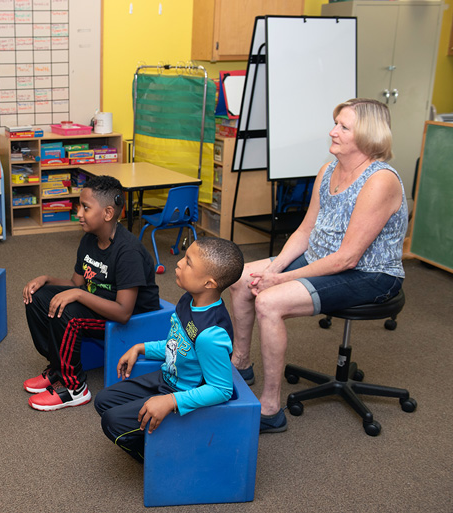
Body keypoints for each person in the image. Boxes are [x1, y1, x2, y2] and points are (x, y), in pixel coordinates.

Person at [228, 98, 408, 433]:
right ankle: (241, 363)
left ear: (367, 135)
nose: (332, 131)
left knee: (269, 301)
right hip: (323, 257)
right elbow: (306, 230)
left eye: (343, 127)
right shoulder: (328, 170)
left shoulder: (379, 180)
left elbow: (347, 258)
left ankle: (270, 408)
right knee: (241, 279)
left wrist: (280, 280)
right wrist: (273, 270)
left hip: (369, 273)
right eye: (335, 123)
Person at [94, 237, 244, 462]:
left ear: (209, 283)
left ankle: (164, 458)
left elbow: (221, 389)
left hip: (184, 395)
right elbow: (177, 346)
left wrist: (171, 401)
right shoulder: (188, 300)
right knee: (103, 401)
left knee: (112, 422)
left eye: (189, 262)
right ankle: (160, 438)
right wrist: (141, 348)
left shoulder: (210, 335)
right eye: (184, 256)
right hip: (168, 378)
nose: (179, 263)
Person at [22, 175, 160, 411]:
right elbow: (75, 283)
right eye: (79, 206)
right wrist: (46, 280)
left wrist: (79, 295)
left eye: (85, 207)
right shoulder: (89, 239)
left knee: (68, 314)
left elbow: (123, 313)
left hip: (131, 317)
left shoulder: (128, 252)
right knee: (38, 296)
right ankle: (58, 366)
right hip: (100, 305)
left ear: (107, 213)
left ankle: (74, 388)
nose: (78, 213)